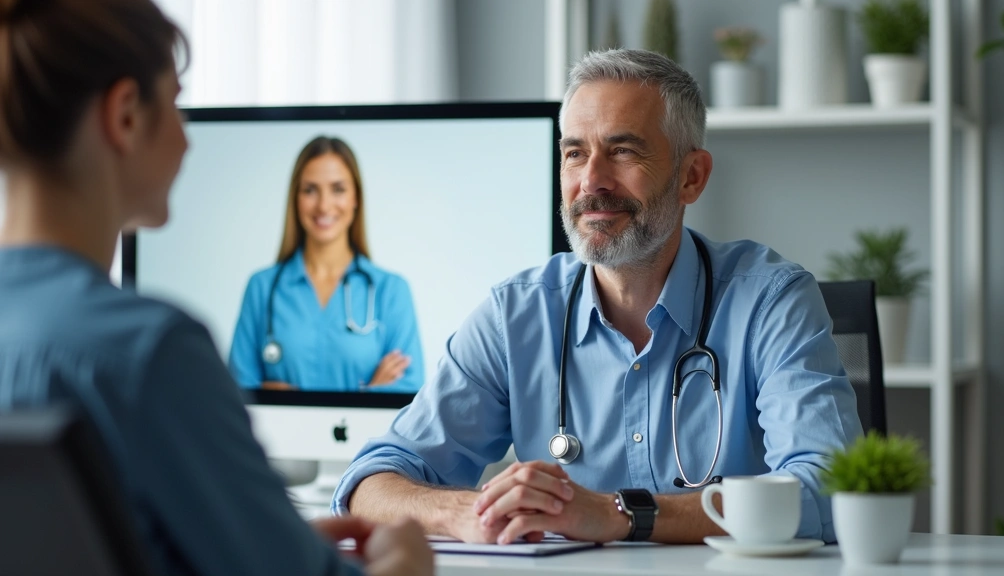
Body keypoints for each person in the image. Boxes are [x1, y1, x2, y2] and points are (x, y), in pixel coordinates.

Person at [332, 48, 863, 546]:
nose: (592, 181)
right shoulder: (515, 315)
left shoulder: (771, 301)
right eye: (574, 153)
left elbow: (832, 492)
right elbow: (369, 483)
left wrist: (617, 514)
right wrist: (470, 514)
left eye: (623, 151)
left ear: (692, 177)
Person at [0, 1, 431, 575]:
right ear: (125, 115)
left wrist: (280, 542)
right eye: (176, 106)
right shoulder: (150, 351)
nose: (187, 141)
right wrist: (405, 563)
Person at [229, 136, 424, 393]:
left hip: (367, 436)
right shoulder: (262, 287)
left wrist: (288, 404)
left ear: (356, 198)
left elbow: (410, 395)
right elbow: (235, 393)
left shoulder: (391, 290)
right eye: (310, 190)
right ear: (295, 199)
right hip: (276, 436)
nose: (323, 205)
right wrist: (371, 392)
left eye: (338, 189)